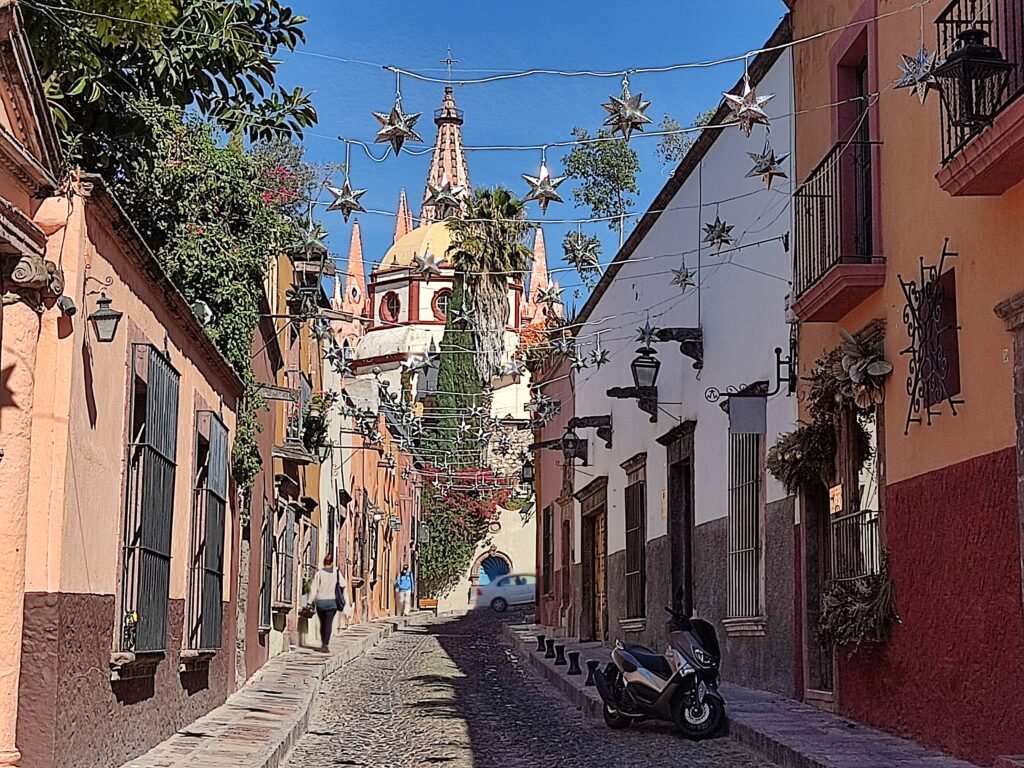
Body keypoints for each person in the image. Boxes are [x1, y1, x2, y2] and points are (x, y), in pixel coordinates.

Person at [306, 553, 346, 652]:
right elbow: (343, 584)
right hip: (332, 602)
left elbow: (314, 588)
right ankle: (325, 644)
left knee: (323, 623)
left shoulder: (319, 573)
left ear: (324, 562)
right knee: (328, 623)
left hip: (321, 602)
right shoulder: (336, 573)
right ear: (332, 562)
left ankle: (323, 642)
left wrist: (309, 601)